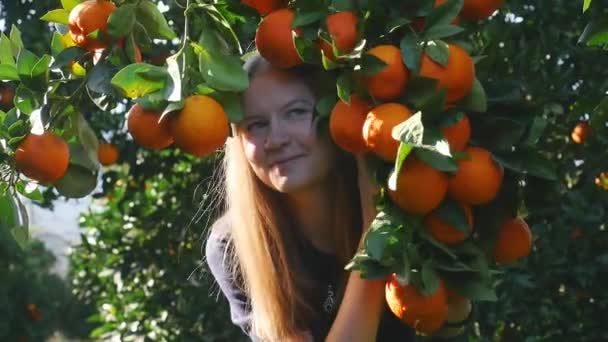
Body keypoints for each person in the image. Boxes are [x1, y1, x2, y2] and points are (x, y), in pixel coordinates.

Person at [204, 53, 415, 341]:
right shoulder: (234, 247)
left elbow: (448, 319)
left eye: (296, 112)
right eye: (256, 124)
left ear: (336, 118)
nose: (276, 139)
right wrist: (374, 238)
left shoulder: (407, 197)